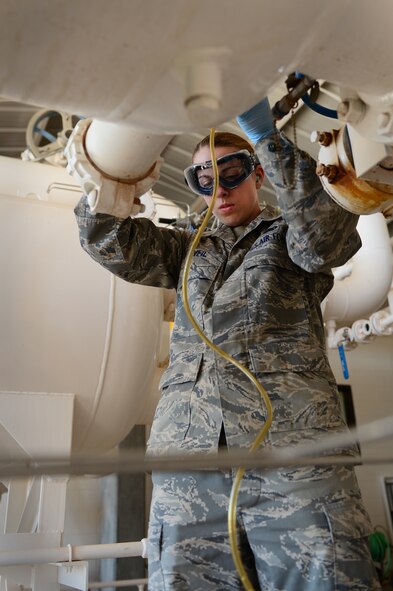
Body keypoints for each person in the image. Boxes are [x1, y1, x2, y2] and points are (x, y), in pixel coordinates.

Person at [74, 97, 381, 590]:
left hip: (292, 459)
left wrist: (268, 138)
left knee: (326, 578)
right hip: (191, 464)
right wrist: (124, 172)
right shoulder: (186, 247)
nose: (217, 188)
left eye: (231, 172)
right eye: (201, 179)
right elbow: (104, 238)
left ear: (258, 175)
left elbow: (325, 238)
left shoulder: (289, 236)